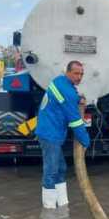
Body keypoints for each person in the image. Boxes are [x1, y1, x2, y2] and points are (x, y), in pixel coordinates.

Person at [35, 61, 90, 209]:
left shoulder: (60, 82)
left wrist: (78, 99)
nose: (79, 77)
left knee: (61, 168)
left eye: (81, 74)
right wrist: (86, 141)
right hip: (49, 134)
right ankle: (50, 209)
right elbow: (75, 121)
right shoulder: (67, 91)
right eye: (76, 73)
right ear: (67, 72)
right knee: (52, 170)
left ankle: (63, 204)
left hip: (53, 132)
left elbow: (68, 97)